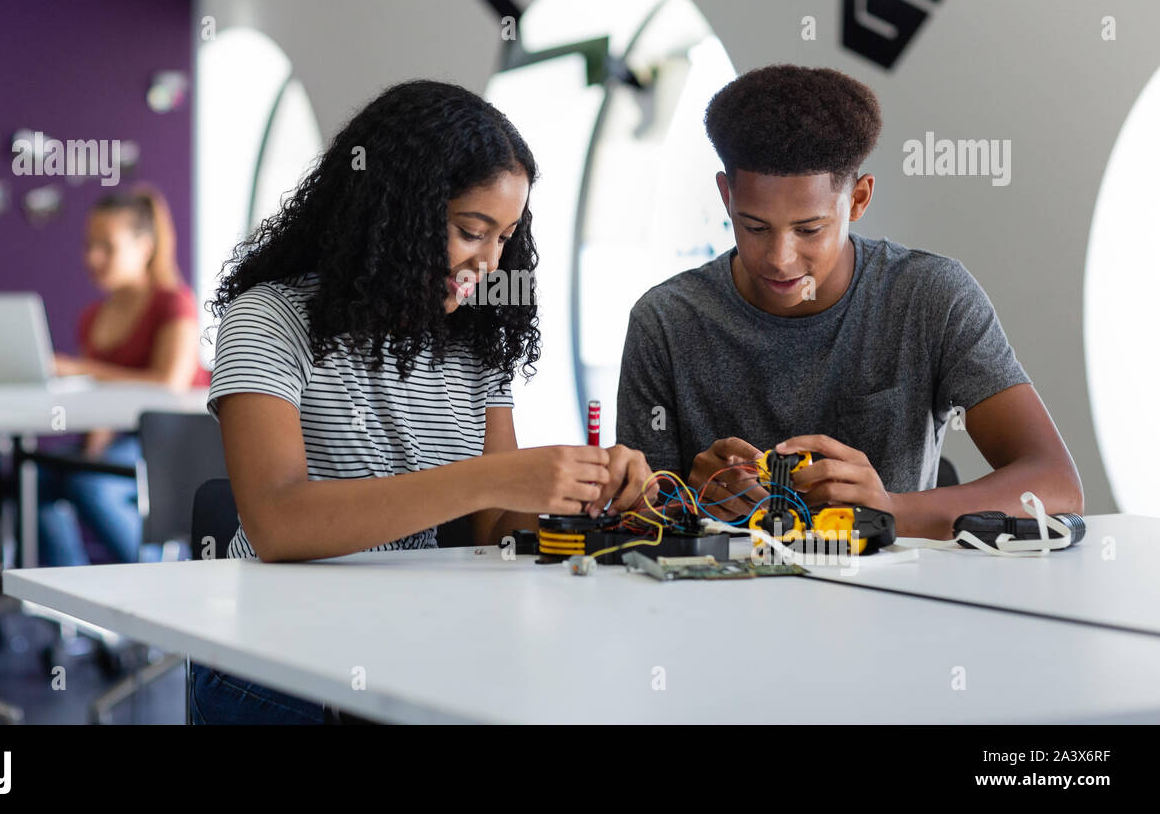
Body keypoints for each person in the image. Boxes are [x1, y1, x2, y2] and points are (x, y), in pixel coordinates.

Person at [190, 80, 655, 724]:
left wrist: (581, 497)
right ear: (394, 213)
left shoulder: (475, 343)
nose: (489, 263)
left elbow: (493, 529)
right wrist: (495, 477)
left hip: (419, 636)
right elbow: (278, 523)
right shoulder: (269, 319)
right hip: (277, 659)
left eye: (505, 238)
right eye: (471, 230)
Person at [616, 64, 1083, 539]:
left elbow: (1057, 484)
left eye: (809, 229)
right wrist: (690, 503)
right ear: (725, 195)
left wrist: (888, 509)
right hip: (716, 606)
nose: (780, 258)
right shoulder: (666, 322)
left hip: (896, 605)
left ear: (858, 200)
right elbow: (632, 518)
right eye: (754, 226)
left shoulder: (930, 298)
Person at [37, 186, 208, 568]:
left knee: (89, 484)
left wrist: (81, 369)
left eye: (107, 247)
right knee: (34, 480)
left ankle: (162, 583)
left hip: (173, 443)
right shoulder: (92, 316)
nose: (93, 258)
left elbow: (169, 385)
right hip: (122, 438)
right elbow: (101, 397)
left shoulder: (174, 302)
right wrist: (96, 437)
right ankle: (74, 597)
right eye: (88, 246)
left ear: (144, 246)